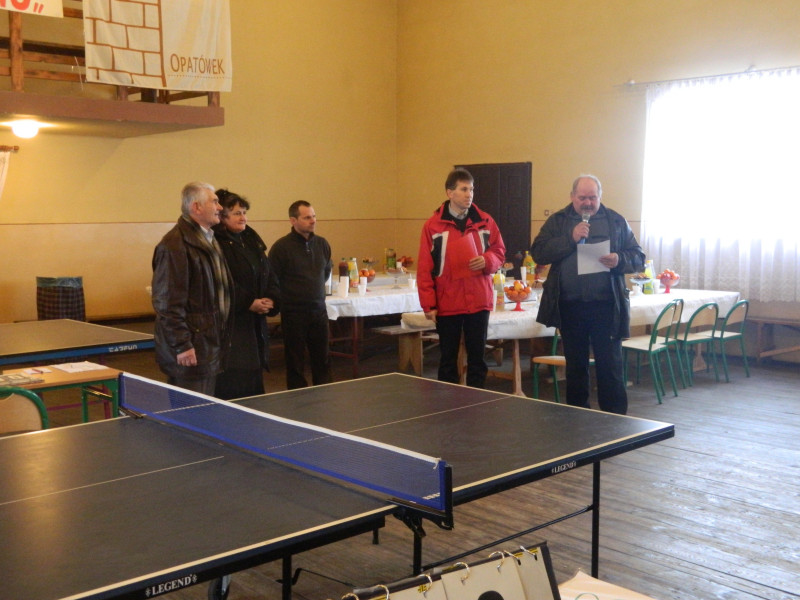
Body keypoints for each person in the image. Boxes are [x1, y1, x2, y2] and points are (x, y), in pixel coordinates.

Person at [531, 174, 645, 414]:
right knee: (575, 367)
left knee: (610, 366)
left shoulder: (616, 221)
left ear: (600, 196)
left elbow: (638, 257)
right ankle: (577, 417)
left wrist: (619, 259)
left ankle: (615, 419)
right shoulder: (558, 221)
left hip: (607, 307)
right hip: (570, 307)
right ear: (572, 197)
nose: (588, 203)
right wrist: (570, 238)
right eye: (582, 198)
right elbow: (539, 253)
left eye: (592, 197)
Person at [416, 168, 506, 388]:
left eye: (471, 189)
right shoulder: (433, 226)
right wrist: (429, 304)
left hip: (479, 300)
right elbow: (425, 268)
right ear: (450, 193)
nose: (469, 194)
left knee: (478, 359)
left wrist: (487, 261)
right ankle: (447, 403)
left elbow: (500, 252)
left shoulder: (486, 221)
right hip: (448, 301)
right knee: (448, 360)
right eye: (464, 189)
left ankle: (477, 401)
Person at [151, 182, 233, 395]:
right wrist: (182, 345)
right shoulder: (174, 246)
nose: (220, 207)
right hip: (192, 347)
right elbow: (167, 303)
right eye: (214, 202)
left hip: (208, 343)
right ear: (196, 207)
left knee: (204, 407)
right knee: (191, 409)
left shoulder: (208, 239)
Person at [212, 189, 281, 399]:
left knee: (254, 379)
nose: (243, 218)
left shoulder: (251, 239)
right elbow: (221, 282)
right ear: (222, 217)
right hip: (232, 324)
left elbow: (268, 273)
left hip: (255, 324)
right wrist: (249, 302)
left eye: (244, 212)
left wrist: (271, 298)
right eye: (237, 213)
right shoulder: (215, 243)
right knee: (235, 381)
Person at [268, 200, 333, 389]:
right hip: (294, 312)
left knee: (322, 358)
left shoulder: (322, 244)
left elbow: (325, 272)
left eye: (314, 216)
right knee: (295, 361)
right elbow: (273, 279)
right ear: (293, 221)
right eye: (307, 217)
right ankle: (297, 397)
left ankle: (324, 393)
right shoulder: (281, 247)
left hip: (318, 311)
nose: (313, 221)